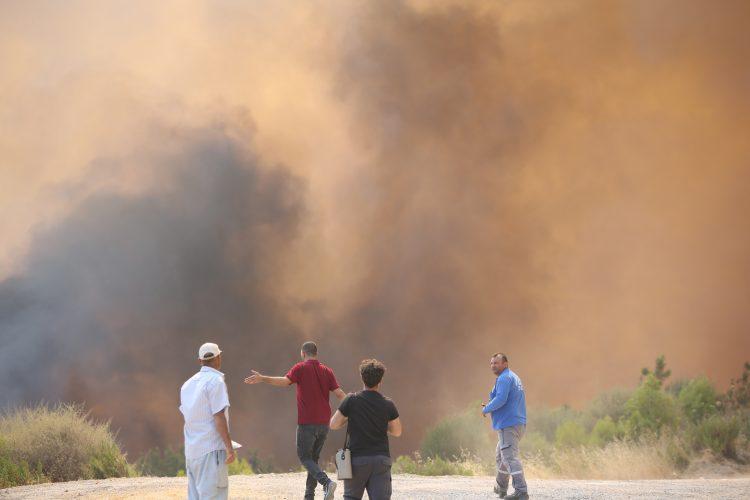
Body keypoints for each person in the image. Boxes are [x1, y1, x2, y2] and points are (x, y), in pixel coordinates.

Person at [244, 341, 344, 500]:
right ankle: (309, 495)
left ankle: (326, 483)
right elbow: (339, 394)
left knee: (305, 457)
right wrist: (353, 406)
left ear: (303, 353)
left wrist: (263, 378)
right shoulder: (327, 371)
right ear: (316, 353)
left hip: (307, 423)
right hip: (324, 423)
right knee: (313, 460)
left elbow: (284, 382)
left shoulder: (300, 368)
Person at [329, 359, 402, 500]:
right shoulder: (388, 403)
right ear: (380, 381)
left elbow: (333, 424)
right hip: (381, 460)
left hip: (357, 460)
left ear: (362, 378)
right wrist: (380, 424)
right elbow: (397, 431)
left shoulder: (351, 400)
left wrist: (350, 418)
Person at [180, 342, 236, 500]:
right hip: (211, 452)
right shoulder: (215, 382)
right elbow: (218, 417)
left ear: (199, 361)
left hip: (192, 453)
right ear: (219, 357)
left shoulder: (186, 385)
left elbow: (191, 418)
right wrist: (229, 448)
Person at [482, 352, 528, 500]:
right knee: (501, 455)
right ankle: (501, 487)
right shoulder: (513, 377)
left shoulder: (504, 378)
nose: (493, 366)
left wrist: (486, 408)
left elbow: (501, 399)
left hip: (508, 424)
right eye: (491, 363)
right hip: (517, 423)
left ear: (505, 364)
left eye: (496, 363)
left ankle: (521, 491)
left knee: (509, 458)